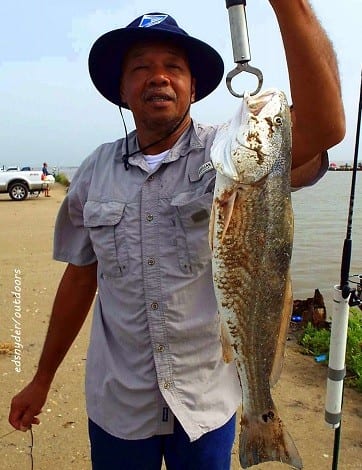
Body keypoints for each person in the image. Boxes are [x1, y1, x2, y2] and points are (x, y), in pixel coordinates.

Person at [9, 4, 345, 469]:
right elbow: (79, 280)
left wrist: (290, 5)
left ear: (192, 87)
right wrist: (42, 378)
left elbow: (326, 128)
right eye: (141, 68)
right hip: (119, 405)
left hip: (206, 404)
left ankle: (260, 419)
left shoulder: (230, 150)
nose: (159, 77)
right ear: (122, 91)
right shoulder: (92, 173)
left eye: (174, 67)